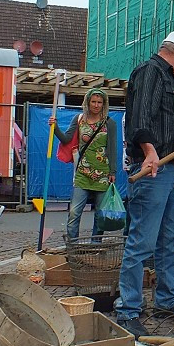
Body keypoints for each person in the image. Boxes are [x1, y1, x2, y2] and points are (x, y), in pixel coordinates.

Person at [115, 31, 174, 337]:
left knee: (170, 238)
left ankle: (167, 299)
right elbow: (139, 118)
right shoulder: (149, 72)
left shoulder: (169, 80)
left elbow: (162, 123)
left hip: (169, 171)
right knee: (141, 241)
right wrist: (150, 151)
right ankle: (128, 309)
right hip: (152, 171)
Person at [50, 88, 117, 242]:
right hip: (82, 172)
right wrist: (55, 128)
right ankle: (73, 244)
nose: (96, 105)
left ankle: (95, 244)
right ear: (87, 102)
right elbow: (66, 139)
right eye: (93, 101)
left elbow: (112, 148)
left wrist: (113, 172)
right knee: (74, 211)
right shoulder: (79, 119)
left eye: (99, 102)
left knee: (100, 213)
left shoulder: (109, 123)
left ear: (104, 104)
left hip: (102, 173)